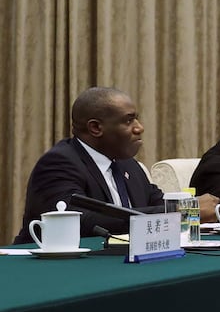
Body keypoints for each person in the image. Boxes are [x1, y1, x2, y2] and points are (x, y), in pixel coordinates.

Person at [14, 86, 167, 241]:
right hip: (56, 262)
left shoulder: (127, 163)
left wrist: (183, 209)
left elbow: (158, 201)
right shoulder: (58, 164)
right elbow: (81, 222)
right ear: (95, 128)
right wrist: (167, 214)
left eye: (136, 119)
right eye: (128, 121)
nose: (139, 128)